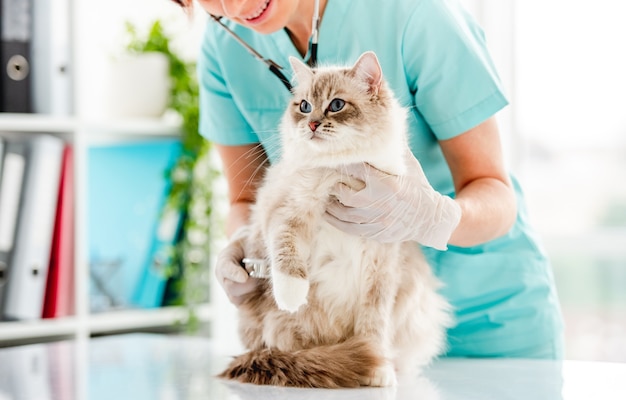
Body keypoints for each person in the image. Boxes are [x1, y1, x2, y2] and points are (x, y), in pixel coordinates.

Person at [173, 0, 564, 359]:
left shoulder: (414, 15)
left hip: (489, 324)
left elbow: (494, 191)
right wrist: (246, 244)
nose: (233, 6)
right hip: (343, 336)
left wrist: (430, 216)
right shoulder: (224, 49)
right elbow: (244, 200)